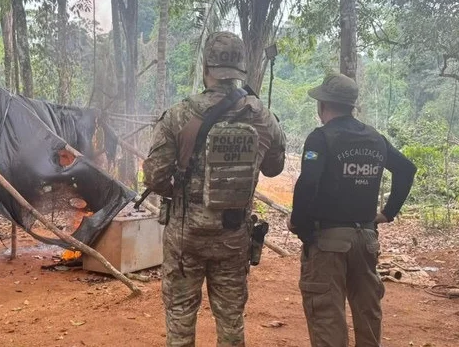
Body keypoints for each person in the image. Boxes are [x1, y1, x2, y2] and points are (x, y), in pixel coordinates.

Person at [143, 31, 286, 347]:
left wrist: (181, 188)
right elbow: (274, 168)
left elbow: (154, 177)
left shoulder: (179, 114)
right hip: (234, 237)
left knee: (180, 318)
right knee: (231, 322)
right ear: (239, 70)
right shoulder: (260, 115)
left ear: (206, 66)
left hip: (185, 238)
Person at [288, 73, 417, 347]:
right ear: (351, 106)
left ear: (323, 105)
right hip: (367, 239)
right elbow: (406, 169)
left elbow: (308, 182)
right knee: (368, 315)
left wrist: (301, 227)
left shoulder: (320, 138)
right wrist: (387, 212)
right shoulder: (375, 138)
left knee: (327, 316)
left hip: (329, 241)